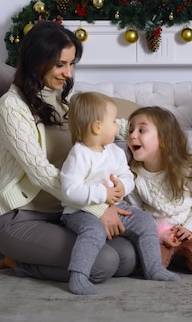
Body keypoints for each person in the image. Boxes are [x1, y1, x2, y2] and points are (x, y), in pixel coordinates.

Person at [0, 21, 138, 287]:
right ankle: (20, 263)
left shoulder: (65, 102)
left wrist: (150, 129)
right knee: (104, 264)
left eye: (72, 64)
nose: (68, 73)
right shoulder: (11, 107)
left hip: (63, 215)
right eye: (61, 64)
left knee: (127, 258)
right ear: (38, 61)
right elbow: (40, 172)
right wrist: (98, 207)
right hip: (21, 217)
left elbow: (108, 125)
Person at [60, 92, 180, 295]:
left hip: (117, 206)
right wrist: (103, 194)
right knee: (94, 231)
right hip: (80, 212)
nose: (119, 126)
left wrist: (123, 187)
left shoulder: (115, 150)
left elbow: (127, 175)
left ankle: (154, 268)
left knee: (144, 221)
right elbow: (70, 191)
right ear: (98, 127)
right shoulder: (79, 154)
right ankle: (79, 275)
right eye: (114, 121)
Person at [126, 106, 192, 275]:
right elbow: (136, 212)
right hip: (157, 232)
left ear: (163, 139)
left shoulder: (186, 168)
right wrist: (158, 233)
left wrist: (191, 227)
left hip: (187, 227)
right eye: (130, 130)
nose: (132, 135)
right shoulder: (133, 174)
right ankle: (170, 255)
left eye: (142, 130)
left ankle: (182, 255)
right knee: (149, 269)